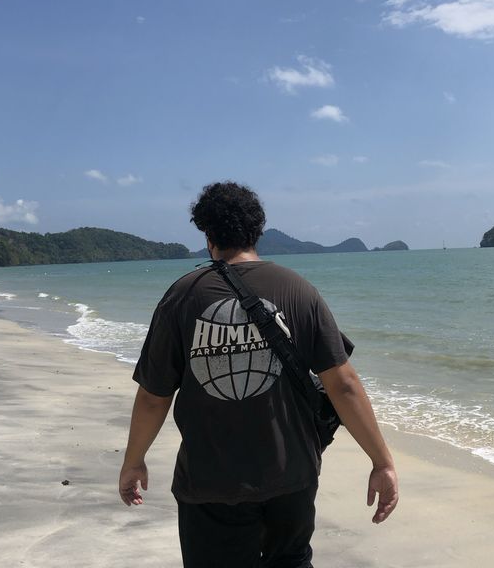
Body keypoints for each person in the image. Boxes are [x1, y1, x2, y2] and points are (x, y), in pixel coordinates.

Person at [119, 181, 398, 568]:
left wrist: (134, 460)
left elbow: (154, 396)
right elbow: (343, 383)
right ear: (258, 230)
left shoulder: (182, 296)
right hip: (292, 476)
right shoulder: (299, 291)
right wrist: (381, 461)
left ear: (207, 233)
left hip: (211, 481)